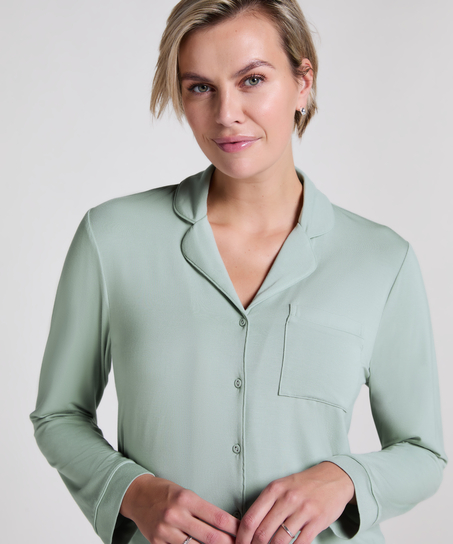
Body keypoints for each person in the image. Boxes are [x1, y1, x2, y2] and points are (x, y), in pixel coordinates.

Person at [30, 1, 446, 543]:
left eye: (252, 80)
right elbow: (59, 415)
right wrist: (134, 491)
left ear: (303, 83)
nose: (226, 112)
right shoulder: (110, 239)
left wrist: (345, 479)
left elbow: (423, 453)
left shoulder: (381, 260)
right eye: (200, 87)